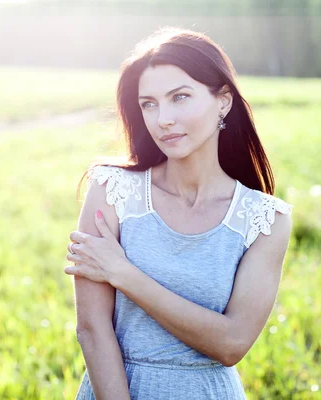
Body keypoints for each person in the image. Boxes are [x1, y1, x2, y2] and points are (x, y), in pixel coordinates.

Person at [63, 26, 294, 400]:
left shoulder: (265, 221)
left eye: (180, 97)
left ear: (223, 101)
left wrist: (123, 274)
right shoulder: (111, 191)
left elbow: (231, 343)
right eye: (149, 104)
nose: (162, 119)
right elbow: (91, 328)